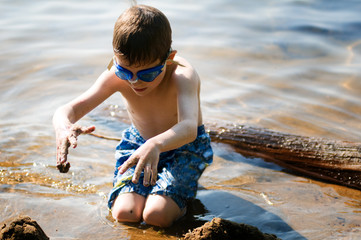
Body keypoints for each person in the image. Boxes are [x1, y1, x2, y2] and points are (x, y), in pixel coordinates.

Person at [53, 4, 213, 228]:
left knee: (155, 215)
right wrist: (64, 127)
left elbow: (188, 128)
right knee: (125, 213)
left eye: (147, 74)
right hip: (139, 142)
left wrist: (156, 144)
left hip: (184, 147)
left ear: (168, 59)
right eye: (124, 71)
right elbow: (67, 110)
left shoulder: (182, 75)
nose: (134, 81)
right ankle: (160, 191)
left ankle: (180, 202)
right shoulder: (116, 76)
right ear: (115, 59)